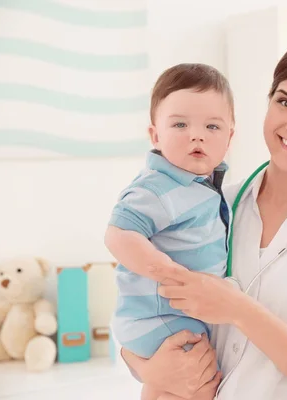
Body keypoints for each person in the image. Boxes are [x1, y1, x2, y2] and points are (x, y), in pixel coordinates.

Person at [121, 35, 287, 400]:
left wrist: (240, 310)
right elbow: (136, 302)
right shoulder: (214, 205)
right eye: (286, 103)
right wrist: (147, 368)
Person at [104, 63, 234, 399]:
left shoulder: (202, 186)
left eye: (212, 126)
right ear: (155, 136)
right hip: (161, 318)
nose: (197, 134)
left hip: (173, 318)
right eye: (180, 124)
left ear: (230, 136)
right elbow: (118, 235)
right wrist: (165, 270)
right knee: (199, 385)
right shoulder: (157, 187)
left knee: (174, 388)